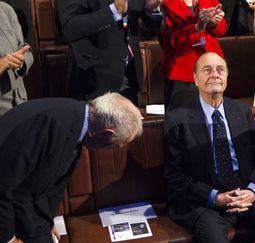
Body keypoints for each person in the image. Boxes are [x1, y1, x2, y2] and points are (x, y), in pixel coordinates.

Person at [164, 52, 255, 243]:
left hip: (246, 194)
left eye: (220, 70)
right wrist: (215, 197)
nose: (215, 74)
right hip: (206, 201)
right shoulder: (177, 119)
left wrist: (252, 191)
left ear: (226, 78)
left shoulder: (242, 111)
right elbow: (175, 175)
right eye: (207, 70)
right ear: (195, 79)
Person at [0, 92, 143, 243]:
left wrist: (48, 220)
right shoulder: (50, 123)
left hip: (26, 204)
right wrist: (9, 239)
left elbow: (49, 181)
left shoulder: (76, 117)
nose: (109, 150)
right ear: (106, 133)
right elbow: (3, 185)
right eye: (113, 145)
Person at [56, 0, 163, 106]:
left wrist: (151, 9)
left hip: (131, 78)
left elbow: (155, 28)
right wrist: (113, 12)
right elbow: (70, 28)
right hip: (93, 80)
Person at [159, 0, 227, 111]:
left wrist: (214, 22)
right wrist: (196, 28)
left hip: (212, 68)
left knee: (212, 118)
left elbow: (222, 29)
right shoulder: (164, 3)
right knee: (183, 123)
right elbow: (168, 43)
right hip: (182, 73)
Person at [0, 1, 33, 116]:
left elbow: (26, 50)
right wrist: (2, 64)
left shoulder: (6, 9)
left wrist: (21, 62)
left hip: (19, 105)